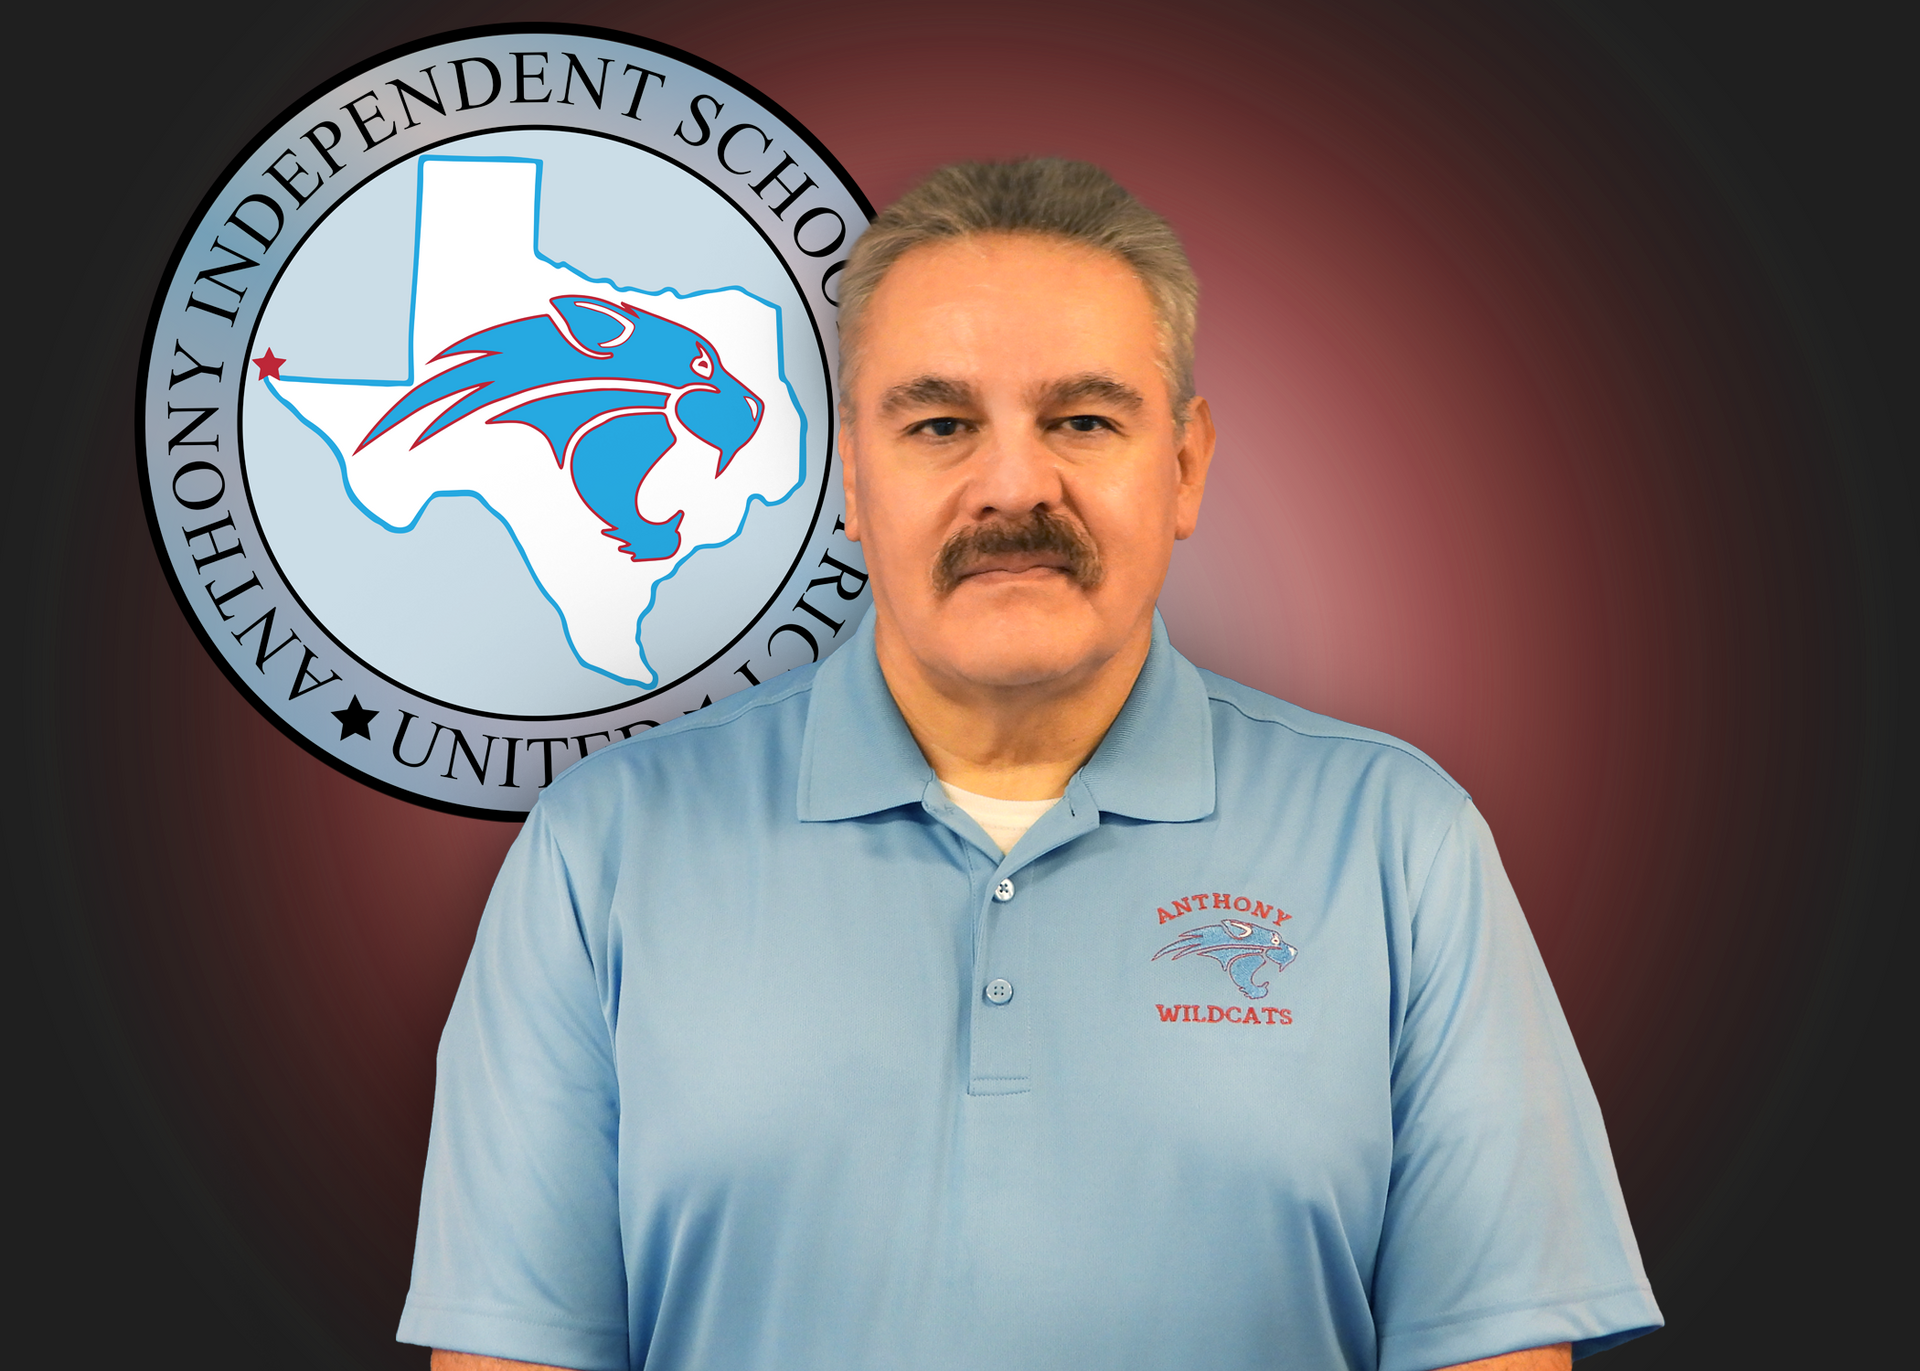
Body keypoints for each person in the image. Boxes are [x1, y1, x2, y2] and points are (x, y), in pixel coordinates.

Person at [398, 159, 1661, 1371]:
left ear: (1185, 464)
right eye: (941, 422)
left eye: (1085, 418)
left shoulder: (1399, 844)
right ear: (850, 473)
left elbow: (1495, 1353)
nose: (1014, 483)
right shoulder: (601, 851)